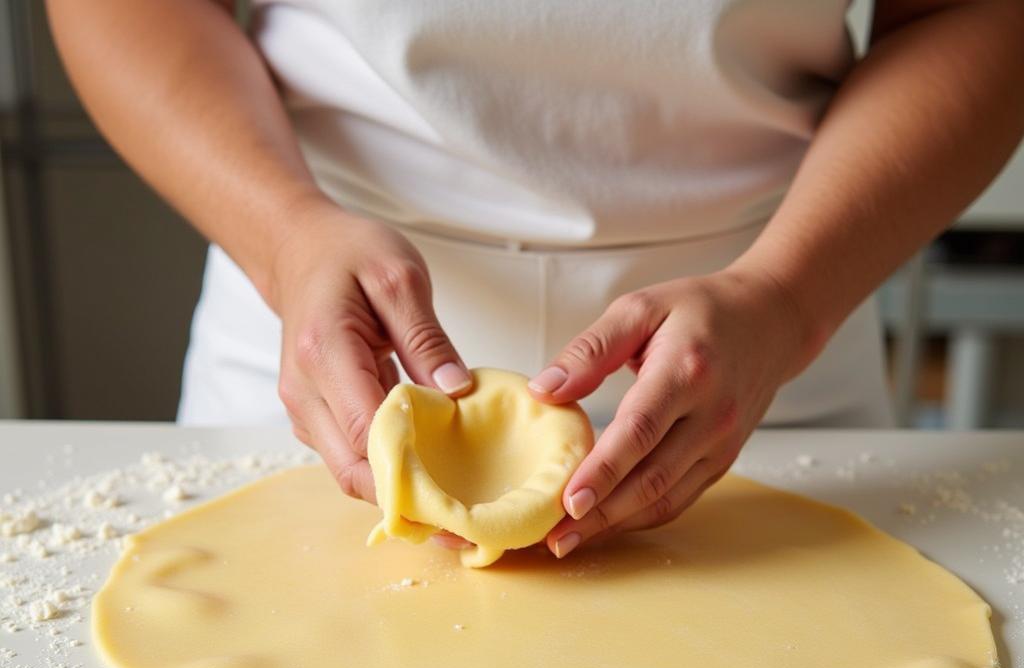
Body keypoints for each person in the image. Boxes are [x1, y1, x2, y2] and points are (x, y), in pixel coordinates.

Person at [48, 0, 1024, 558]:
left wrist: (786, 298)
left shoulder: (779, 309)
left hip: (762, 355)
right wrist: (284, 236)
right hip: (321, 351)